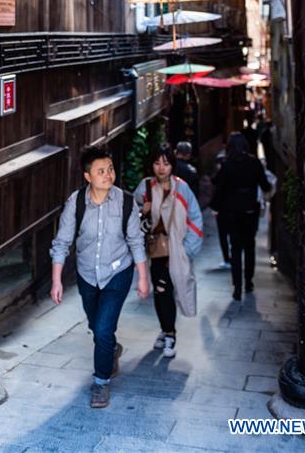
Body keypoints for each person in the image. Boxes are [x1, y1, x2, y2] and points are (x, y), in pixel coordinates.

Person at [50, 147, 149, 409]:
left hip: (118, 272)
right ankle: (112, 349)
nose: (108, 175)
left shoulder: (126, 202)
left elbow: (136, 241)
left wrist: (142, 277)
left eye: (110, 169)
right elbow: (62, 243)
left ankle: (101, 382)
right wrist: (57, 280)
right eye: (101, 171)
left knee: (104, 328)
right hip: (87, 274)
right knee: (97, 328)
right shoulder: (76, 202)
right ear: (88, 176)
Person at [134, 146, 203, 359]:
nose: (161, 168)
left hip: (177, 248)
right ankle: (168, 331)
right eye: (157, 163)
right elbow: (132, 218)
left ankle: (169, 333)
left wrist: (187, 249)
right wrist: (141, 211)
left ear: (172, 165)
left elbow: (195, 218)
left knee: (169, 289)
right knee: (161, 291)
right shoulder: (145, 187)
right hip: (156, 249)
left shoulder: (182, 189)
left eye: (166, 163)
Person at [212, 132, 271, 301]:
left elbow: (218, 185)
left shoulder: (227, 165)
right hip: (250, 211)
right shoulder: (254, 163)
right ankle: (249, 281)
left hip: (231, 212)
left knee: (235, 248)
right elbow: (265, 186)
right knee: (249, 246)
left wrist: (216, 207)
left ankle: (237, 287)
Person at [210, 151, 231, 270]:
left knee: (223, 235)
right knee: (233, 235)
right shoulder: (233, 172)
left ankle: (227, 259)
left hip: (223, 209)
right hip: (234, 208)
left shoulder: (221, 173)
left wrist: (215, 208)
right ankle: (232, 258)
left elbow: (214, 183)